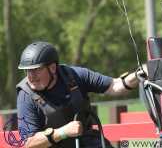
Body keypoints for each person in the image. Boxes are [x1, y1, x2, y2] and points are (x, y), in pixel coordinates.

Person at [16, 41, 144, 148]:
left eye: (36, 70)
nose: (31, 77)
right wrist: (62, 132)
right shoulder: (25, 95)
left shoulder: (75, 75)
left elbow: (115, 86)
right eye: (27, 71)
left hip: (88, 142)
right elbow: (28, 143)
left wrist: (139, 75)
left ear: (53, 68)